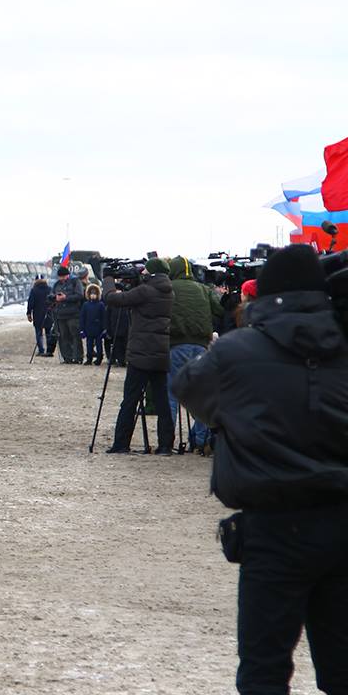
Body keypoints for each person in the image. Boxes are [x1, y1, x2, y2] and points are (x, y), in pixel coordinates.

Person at [172, 244, 348, 694]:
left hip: (273, 529)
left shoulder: (236, 353)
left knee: (264, 668)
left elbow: (189, 388)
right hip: (343, 522)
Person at [103, 258, 175, 454]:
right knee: (162, 402)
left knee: (130, 400)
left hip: (141, 354)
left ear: (150, 273)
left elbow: (112, 299)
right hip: (160, 354)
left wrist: (108, 278)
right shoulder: (168, 291)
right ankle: (166, 445)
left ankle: (121, 444)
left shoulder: (145, 291)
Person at [165, 255, 223, 452]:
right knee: (200, 395)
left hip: (176, 345)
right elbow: (220, 309)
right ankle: (201, 440)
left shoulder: (169, 287)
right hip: (201, 346)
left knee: (172, 395)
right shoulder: (203, 289)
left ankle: (167, 440)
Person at [51, 266, 84, 363]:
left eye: (63, 276)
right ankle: (67, 357)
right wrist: (55, 297)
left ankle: (78, 357)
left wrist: (66, 297)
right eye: (60, 277)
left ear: (67, 275)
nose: (61, 278)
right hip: (60, 314)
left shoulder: (75, 282)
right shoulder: (56, 284)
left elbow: (79, 295)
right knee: (63, 336)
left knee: (75, 336)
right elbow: (50, 295)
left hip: (73, 314)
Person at [78, 283, 106, 365]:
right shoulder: (85, 305)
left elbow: (103, 317)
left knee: (99, 345)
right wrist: (82, 329)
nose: (93, 295)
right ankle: (89, 358)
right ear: (88, 294)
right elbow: (82, 317)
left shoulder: (101, 305)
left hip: (98, 328)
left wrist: (104, 329)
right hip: (88, 328)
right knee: (89, 345)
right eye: (91, 294)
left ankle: (99, 358)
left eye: (95, 294)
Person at [27, 276, 52, 356]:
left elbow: (30, 302)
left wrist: (28, 313)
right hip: (48, 314)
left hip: (37, 314)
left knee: (39, 333)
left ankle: (41, 350)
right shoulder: (49, 289)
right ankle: (49, 350)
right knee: (49, 333)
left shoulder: (34, 290)